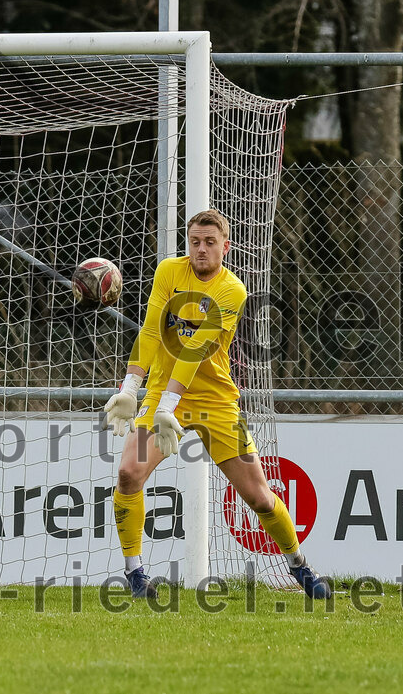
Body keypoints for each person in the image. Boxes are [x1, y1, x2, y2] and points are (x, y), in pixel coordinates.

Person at [104, 209, 331, 599]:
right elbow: (151, 330)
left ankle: (299, 565)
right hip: (162, 392)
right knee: (128, 474)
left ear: (225, 246)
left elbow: (196, 349)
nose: (201, 250)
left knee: (259, 497)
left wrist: (165, 408)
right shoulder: (169, 272)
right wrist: (130, 388)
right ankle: (135, 575)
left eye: (210, 243)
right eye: (195, 242)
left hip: (216, 402)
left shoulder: (233, 290)